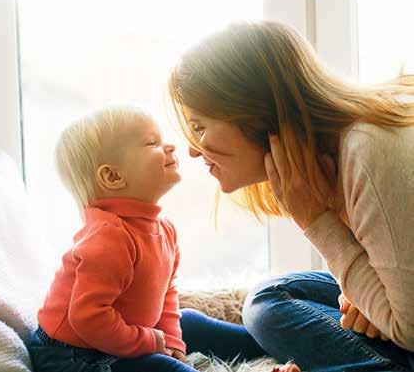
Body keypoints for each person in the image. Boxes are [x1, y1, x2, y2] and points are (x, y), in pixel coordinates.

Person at [168, 21, 414, 372]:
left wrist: (315, 221)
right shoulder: (344, 153)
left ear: (251, 110)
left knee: (267, 305)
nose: (193, 151)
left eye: (199, 127)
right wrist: (368, 297)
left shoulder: (367, 151)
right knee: (271, 296)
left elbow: (409, 329)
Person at [27, 104, 264, 372]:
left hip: (120, 336)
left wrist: (172, 340)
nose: (170, 147)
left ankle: (270, 346)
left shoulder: (164, 229)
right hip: (73, 356)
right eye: (152, 143)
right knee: (163, 367)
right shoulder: (108, 239)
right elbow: (88, 318)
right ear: (113, 176)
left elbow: (167, 294)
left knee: (190, 321)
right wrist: (150, 342)